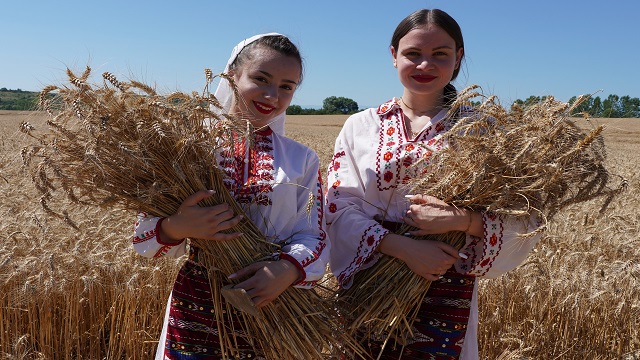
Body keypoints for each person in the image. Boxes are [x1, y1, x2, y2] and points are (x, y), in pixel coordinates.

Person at [325, 9, 542, 360]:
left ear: (458, 59)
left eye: (440, 54)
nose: (425, 65)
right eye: (413, 54)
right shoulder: (360, 125)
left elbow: (526, 218)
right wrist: (402, 247)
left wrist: (462, 221)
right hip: (370, 275)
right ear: (393, 56)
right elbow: (337, 206)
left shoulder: (487, 130)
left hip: (447, 279)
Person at [133, 33, 329, 359]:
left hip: (272, 302)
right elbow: (142, 238)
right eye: (261, 79)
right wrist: (179, 226)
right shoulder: (187, 148)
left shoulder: (302, 159)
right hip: (195, 299)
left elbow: (314, 234)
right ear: (232, 76)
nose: (272, 95)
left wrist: (288, 270)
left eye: (287, 86)